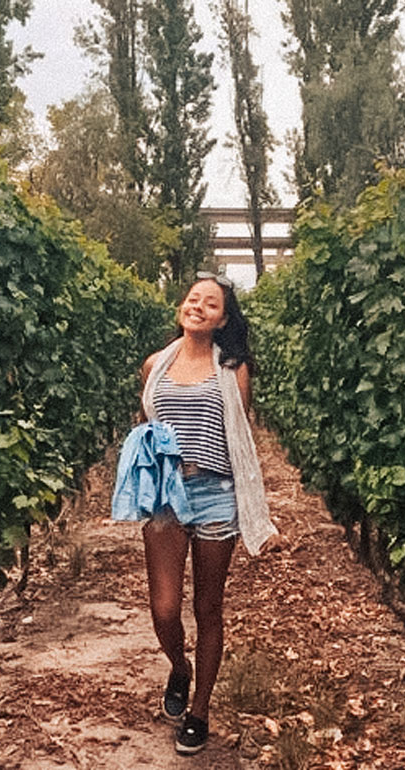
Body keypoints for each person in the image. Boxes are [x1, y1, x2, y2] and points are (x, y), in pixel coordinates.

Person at [135, 273, 277, 755]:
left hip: (216, 494)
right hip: (167, 498)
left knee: (208, 608)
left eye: (210, 304)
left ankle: (199, 711)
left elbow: (236, 437)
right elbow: (147, 431)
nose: (198, 306)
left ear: (222, 320)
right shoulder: (155, 364)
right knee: (165, 608)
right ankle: (179, 666)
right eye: (193, 299)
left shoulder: (234, 369)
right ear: (182, 306)